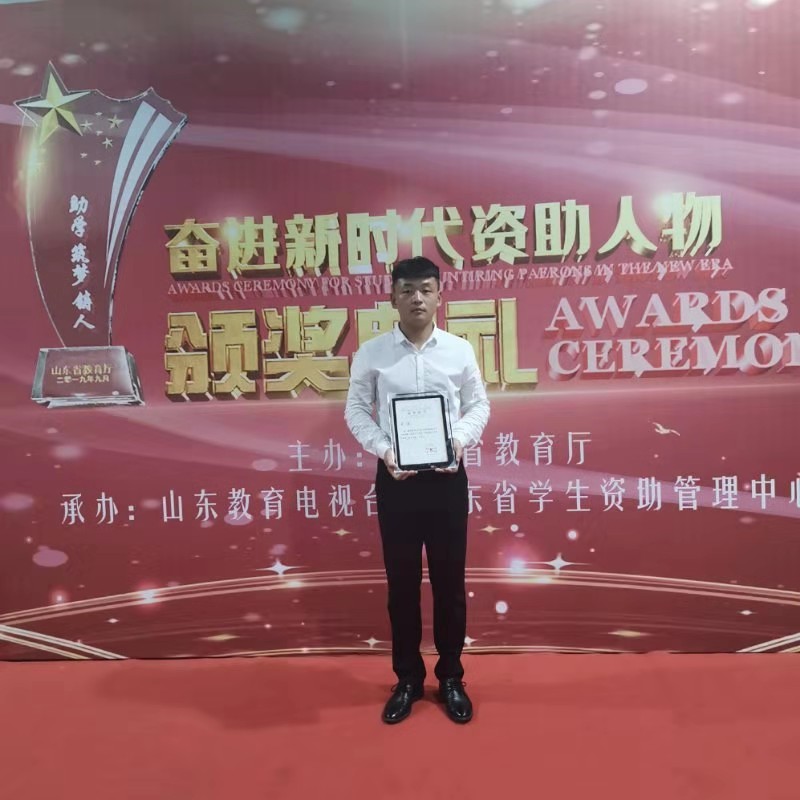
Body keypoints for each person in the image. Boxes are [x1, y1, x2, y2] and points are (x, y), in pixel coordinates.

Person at [344, 256, 490, 724]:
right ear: (392, 297)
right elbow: (355, 410)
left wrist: (458, 440)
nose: (417, 298)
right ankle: (407, 678)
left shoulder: (459, 351)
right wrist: (385, 449)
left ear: (440, 296)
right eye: (407, 290)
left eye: (426, 289)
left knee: (450, 585)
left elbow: (478, 405)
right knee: (402, 586)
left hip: (447, 481)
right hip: (397, 482)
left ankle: (451, 677)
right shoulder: (372, 354)